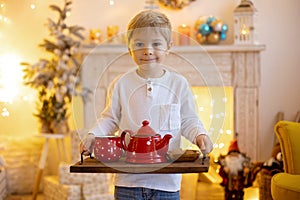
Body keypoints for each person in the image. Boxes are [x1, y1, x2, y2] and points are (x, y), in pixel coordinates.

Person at [80, 10, 213, 200]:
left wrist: (200, 135)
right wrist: (93, 135)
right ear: (129, 48)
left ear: (169, 46)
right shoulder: (121, 83)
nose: (147, 50)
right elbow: (109, 119)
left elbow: (188, 120)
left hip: (167, 184)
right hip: (128, 182)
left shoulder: (178, 84)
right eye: (139, 44)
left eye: (156, 44)